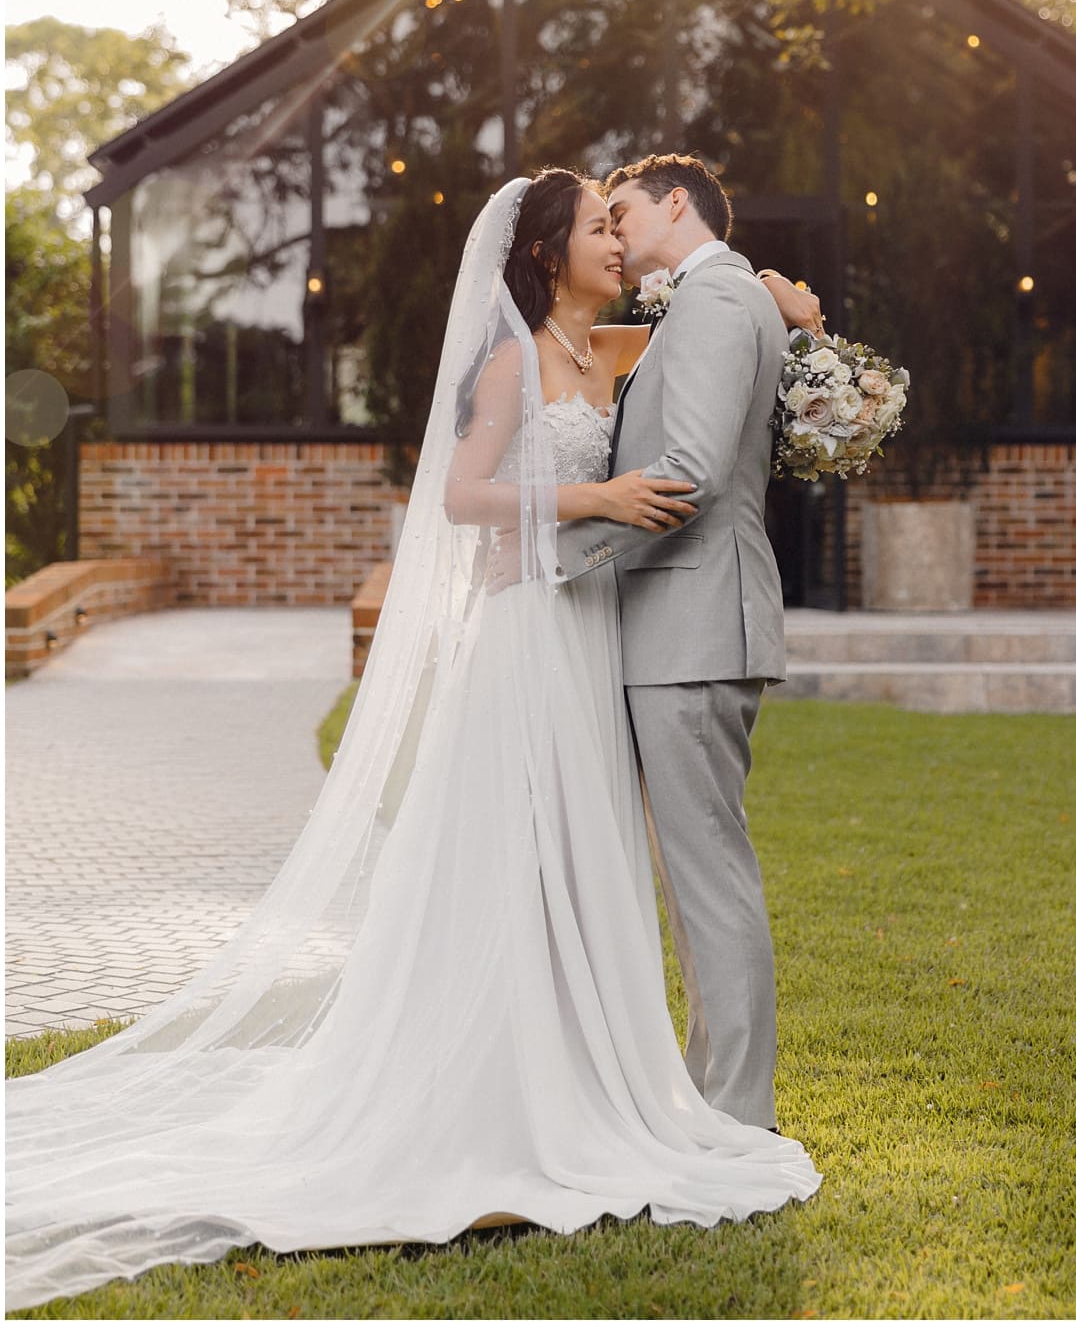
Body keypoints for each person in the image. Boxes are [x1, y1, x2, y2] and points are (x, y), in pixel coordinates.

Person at [5, 168, 822, 1311]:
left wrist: (779, 303)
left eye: (619, 222)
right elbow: (461, 497)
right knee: (514, 863)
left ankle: (590, 1077)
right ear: (547, 256)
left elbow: (714, 352)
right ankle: (494, 1091)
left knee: (587, 871)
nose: (617, 243)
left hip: (595, 639)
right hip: (533, 642)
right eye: (598, 227)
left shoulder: (614, 350)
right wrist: (593, 503)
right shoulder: (511, 358)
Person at [553, 153, 804, 1133]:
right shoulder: (733, 298)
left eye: (620, 214)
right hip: (689, 623)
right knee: (699, 876)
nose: (613, 235)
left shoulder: (711, 300)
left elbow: (691, 472)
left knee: (708, 876)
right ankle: (713, 1101)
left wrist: (558, 556)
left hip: (693, 627)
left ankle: (736, 1115)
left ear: (674, 203)